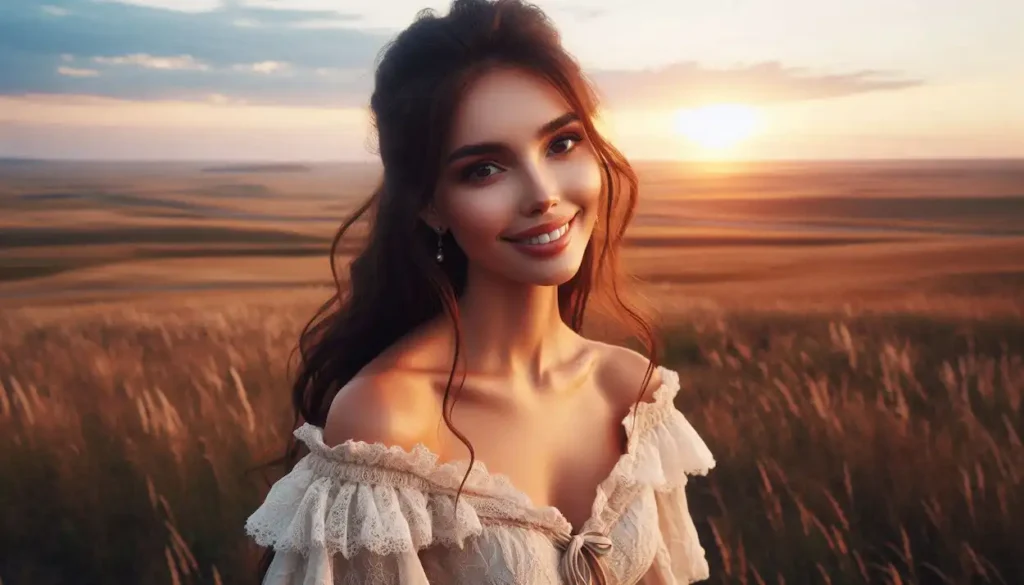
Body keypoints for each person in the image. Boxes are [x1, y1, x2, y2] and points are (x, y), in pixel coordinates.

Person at [245, 0, 716, 583]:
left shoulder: (633, 392)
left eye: (561, 143)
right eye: (484, 169)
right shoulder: (388, 423)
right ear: (429, 205)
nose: (543, 194)